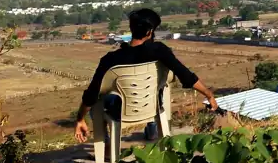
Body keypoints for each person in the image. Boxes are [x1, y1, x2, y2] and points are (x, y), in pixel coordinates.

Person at [74, 8, 219, 142]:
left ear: (131, 28)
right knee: (156, 88)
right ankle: (152, 131)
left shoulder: (110, 59)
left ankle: (106, 146)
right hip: (153, 106)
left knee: (98, 102)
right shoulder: (160, 51)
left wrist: (80, 119)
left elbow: (91, 95)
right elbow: (185, 75)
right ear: (150, 31)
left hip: (120, 110)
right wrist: (208, 95)